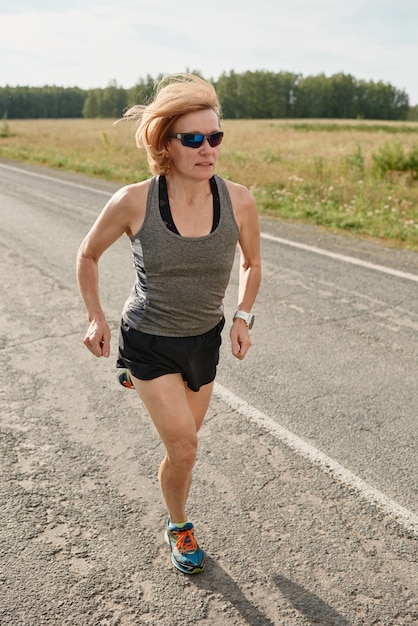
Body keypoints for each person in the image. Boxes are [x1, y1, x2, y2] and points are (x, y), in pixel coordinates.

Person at [76, 73, 261, 575]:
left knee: (184, 448)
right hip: (150, 338)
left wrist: (242, 316)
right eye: (194, 139)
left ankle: (139, 380)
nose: (208, 149)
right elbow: (88, 255)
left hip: (203, 339)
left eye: (215, 137)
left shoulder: (239, 199)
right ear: (166, 144)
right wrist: (95, 317)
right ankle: (179, 525)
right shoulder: (134, 200)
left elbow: (252, 263)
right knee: (184, 445)